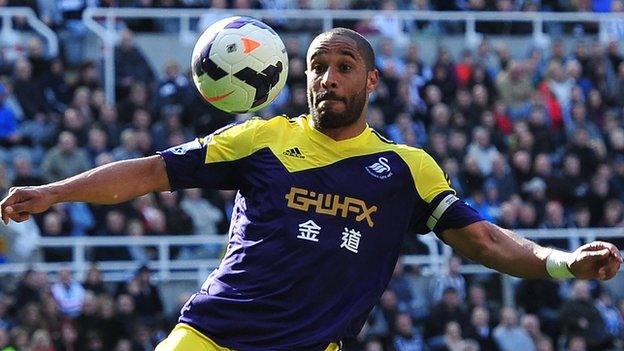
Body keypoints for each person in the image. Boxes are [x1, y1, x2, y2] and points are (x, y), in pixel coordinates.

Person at [0, 28, 621, 351]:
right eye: (317, 67)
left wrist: (564, 264)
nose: (326, 78)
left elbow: (484, 241)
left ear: (372, 79)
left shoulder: (407, 168)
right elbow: (147, 172)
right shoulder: (260, 137)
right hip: (212, 336)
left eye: (342, 66)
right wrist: (55, 191)